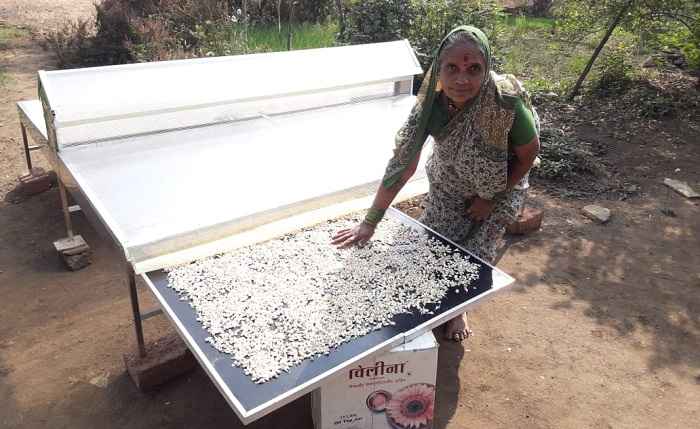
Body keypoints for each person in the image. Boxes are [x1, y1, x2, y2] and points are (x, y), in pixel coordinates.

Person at [331, 26, 540, 341]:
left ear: (486, 70)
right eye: (452, 68)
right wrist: (369, 223)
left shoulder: (504, 104)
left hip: (501, 181)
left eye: (474, 69)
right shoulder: (432, 105)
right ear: (438, 70)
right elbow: (402, 166)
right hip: (449, 178)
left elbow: (528, 155)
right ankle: (439, 296)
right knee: (436, 240)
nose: (462, 79)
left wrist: (491, 198)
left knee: (475, 252)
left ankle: (458, 310)